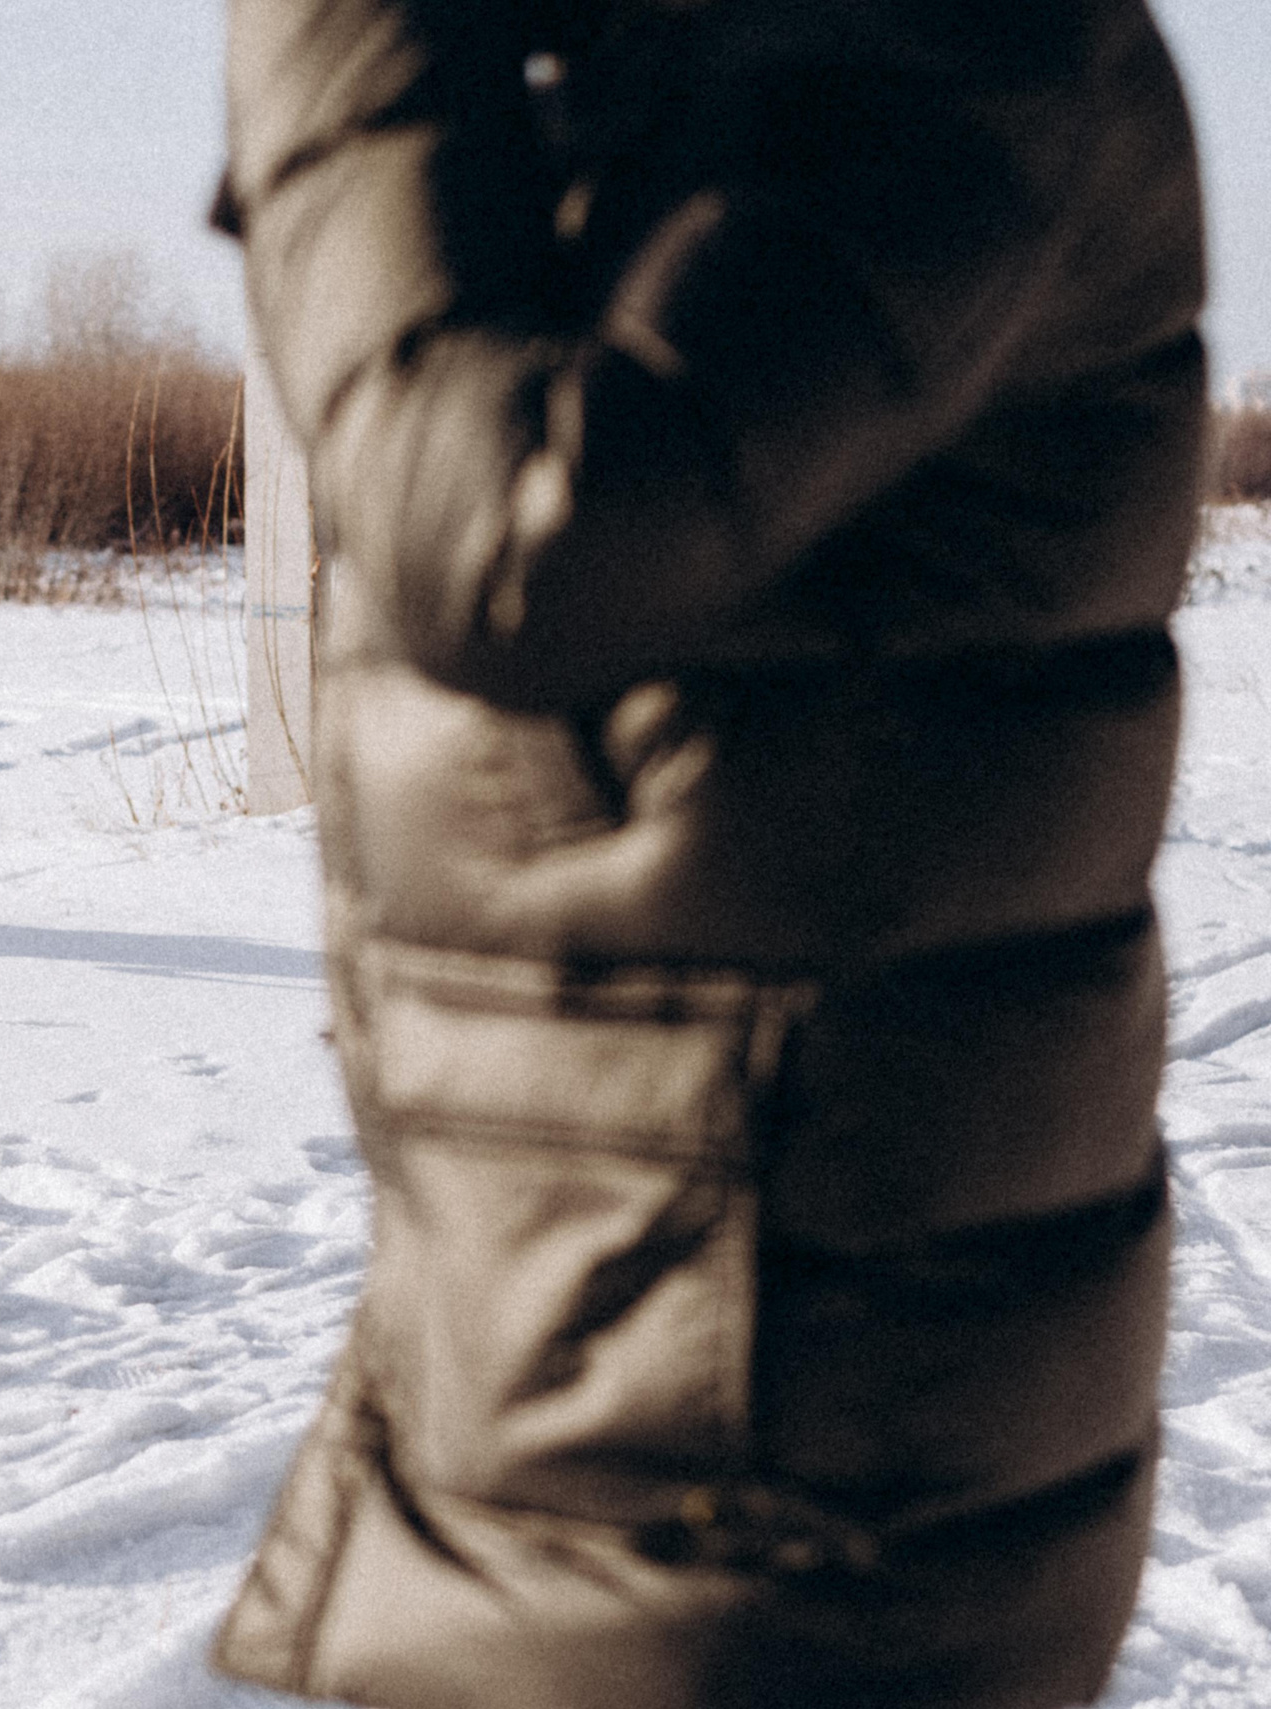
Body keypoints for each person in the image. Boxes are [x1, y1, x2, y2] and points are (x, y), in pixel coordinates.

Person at [210, 1, 1207, 1705]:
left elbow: (522, 538)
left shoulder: (955, 57)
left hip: (767, 1491)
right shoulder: (708, 59)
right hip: (644, 1385)